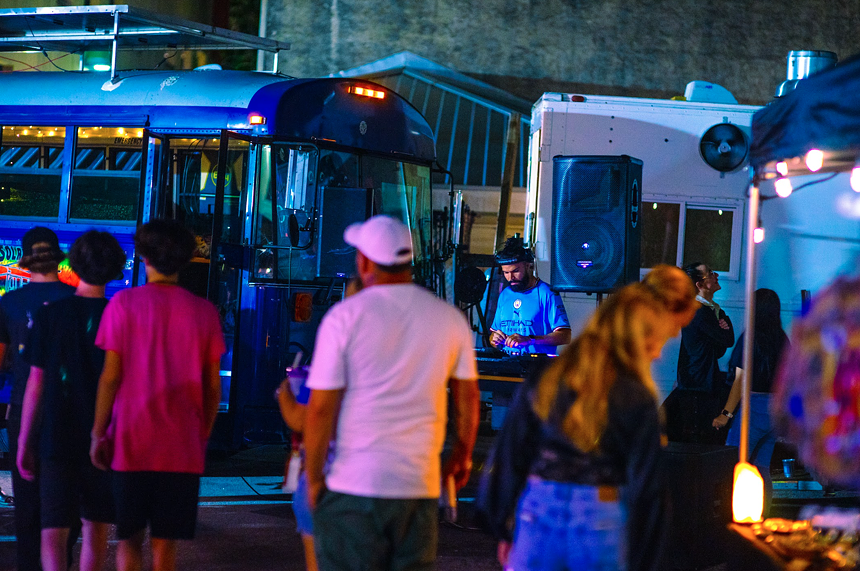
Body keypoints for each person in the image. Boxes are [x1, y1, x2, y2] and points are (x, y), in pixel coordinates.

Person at [479, 281, 697, 571]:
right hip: (600, 515)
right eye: (655, 343)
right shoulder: (636, 397)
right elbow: (648, 488)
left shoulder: (547, 379)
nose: (657, 354)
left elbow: (509, 455)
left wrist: (502, 526)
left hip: (538, 508)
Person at [303, 215, 480, 571]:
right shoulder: (448, 318)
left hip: (355, 485)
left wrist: (314, 478)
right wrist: (462, 454)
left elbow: (321, 409)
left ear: (365, 261)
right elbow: (468, 397)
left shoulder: (344, 317)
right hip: (418, 488)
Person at [90, 219, 225, 571]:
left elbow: (110, 378)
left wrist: (97, 432)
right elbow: (212, 387)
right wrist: (204, 432)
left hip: (131, 442)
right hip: (181, 447)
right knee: (166, 547)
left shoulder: (122, 305)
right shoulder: (204, 313)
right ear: (185, 260)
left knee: (129, 539)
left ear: (143, 257)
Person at [16, 230, 126, 571]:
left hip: (56, 435)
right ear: (114, 269)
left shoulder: (51, 315)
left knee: (53, 532)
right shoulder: (118, 316)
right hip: (103, 435)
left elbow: (36, 382)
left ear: (72, 264)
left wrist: (23, 441)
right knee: (95, 530)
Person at [0, 227, 76, 571]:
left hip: (21, 410)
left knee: (27, 504)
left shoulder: (8, 303)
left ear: (25, 258)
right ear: (59, 256)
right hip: (69, 413)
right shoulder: (74, 301)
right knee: (64, 505)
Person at [713, 288, 788, 515]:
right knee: (762, 467)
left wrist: (725, 414)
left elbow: (740, 380)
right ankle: (764, 519)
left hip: (754, 408)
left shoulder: (750, 337)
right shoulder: (782, 338)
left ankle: (733, 521)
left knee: (734, 465)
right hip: (775, 409)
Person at [666, 262, 735, 443]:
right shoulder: (699, 312)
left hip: (700, 381)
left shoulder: (710, 310)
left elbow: (720, 347)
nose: (716, 275)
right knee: (698, 439)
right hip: (697, 384)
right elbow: (727, 340)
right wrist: (723, 329)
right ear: (700, 285)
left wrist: (723, 328)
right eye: (711, 273)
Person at [489, 236, 571, 355]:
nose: (510, 278)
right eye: (506, 272)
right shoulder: (505, 294)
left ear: (528, 266)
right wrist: (494, 339)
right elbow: (493, 334)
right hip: (508, 365)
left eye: (515, 271)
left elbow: (565, 336)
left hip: (537, 366)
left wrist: (530, 340)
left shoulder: (547, 293)